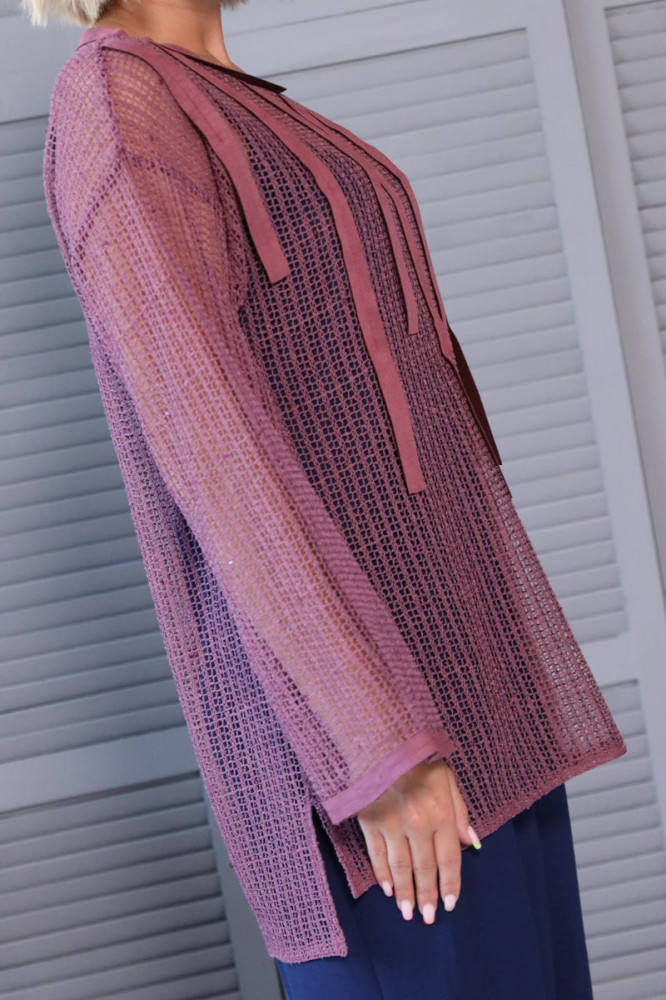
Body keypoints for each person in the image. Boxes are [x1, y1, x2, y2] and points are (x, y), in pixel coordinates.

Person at [29, 0, 627, 994]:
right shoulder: (117, 98)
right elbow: (214, 450)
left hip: (475, 700)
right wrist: (378, 747)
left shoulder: (229, 94)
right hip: (379, 764)